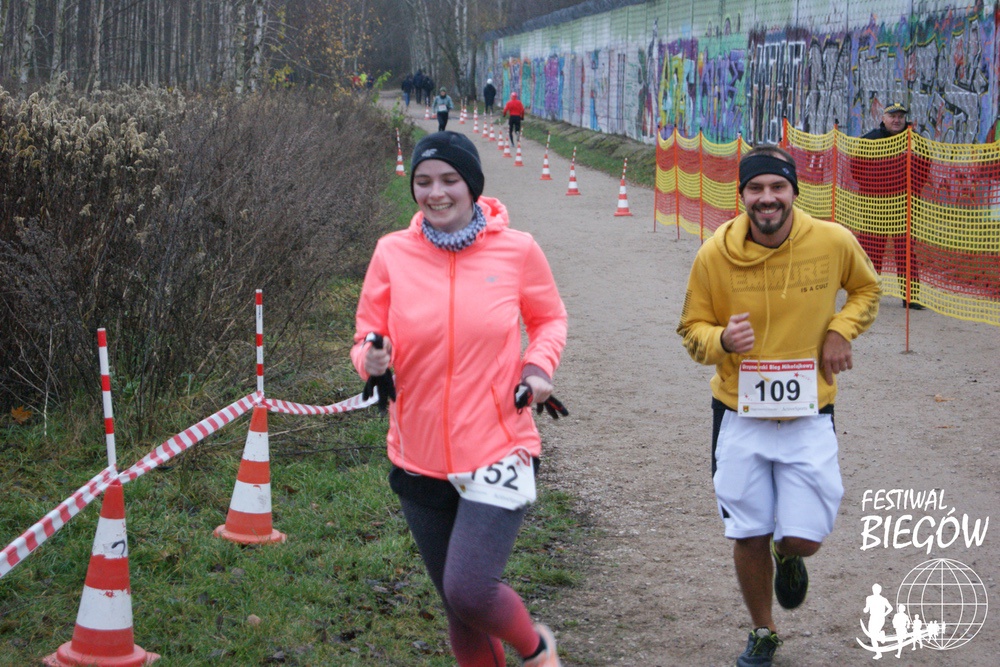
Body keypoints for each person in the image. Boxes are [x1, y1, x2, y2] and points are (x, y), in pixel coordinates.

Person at [352, 131, 567, 667]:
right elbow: (367, 334)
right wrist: (370, 360)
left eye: (449, 180)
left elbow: (548, 319)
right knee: (457, 606)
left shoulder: (517, 249)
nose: (436, 193)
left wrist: (537, 367)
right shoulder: (391, 253)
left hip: (499, 445)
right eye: (423, 181)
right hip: (418, 452)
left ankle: (536, 649)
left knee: (470, 590)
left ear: (472, 185)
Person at [677, 146, 880, 667]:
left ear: (793, 192)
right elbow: (691, 329)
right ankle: (763, 630)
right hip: (738, 413)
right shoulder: (713, 255)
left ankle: (789, 555)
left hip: (809, 412)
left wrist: (840, 330)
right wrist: (722, 340)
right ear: (741, 195)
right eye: (756, 188)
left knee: (804, 538)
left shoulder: (832, 241)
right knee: (748, 531)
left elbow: (866, 290)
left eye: (777, 187)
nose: (767, 198)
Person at [856, 102, 926, 309]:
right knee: (871, 251)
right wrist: (872, 188)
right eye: (892, 116)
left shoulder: (915, 140)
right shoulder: (870, 140)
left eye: (900, 117)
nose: (897, 120)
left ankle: (910, 297)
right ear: (883, 118)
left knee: (906, 251)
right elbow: (856, 168)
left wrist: (913, 189)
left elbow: (925, 167)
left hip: (903, 206)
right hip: (874, 206)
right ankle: (868, 294)